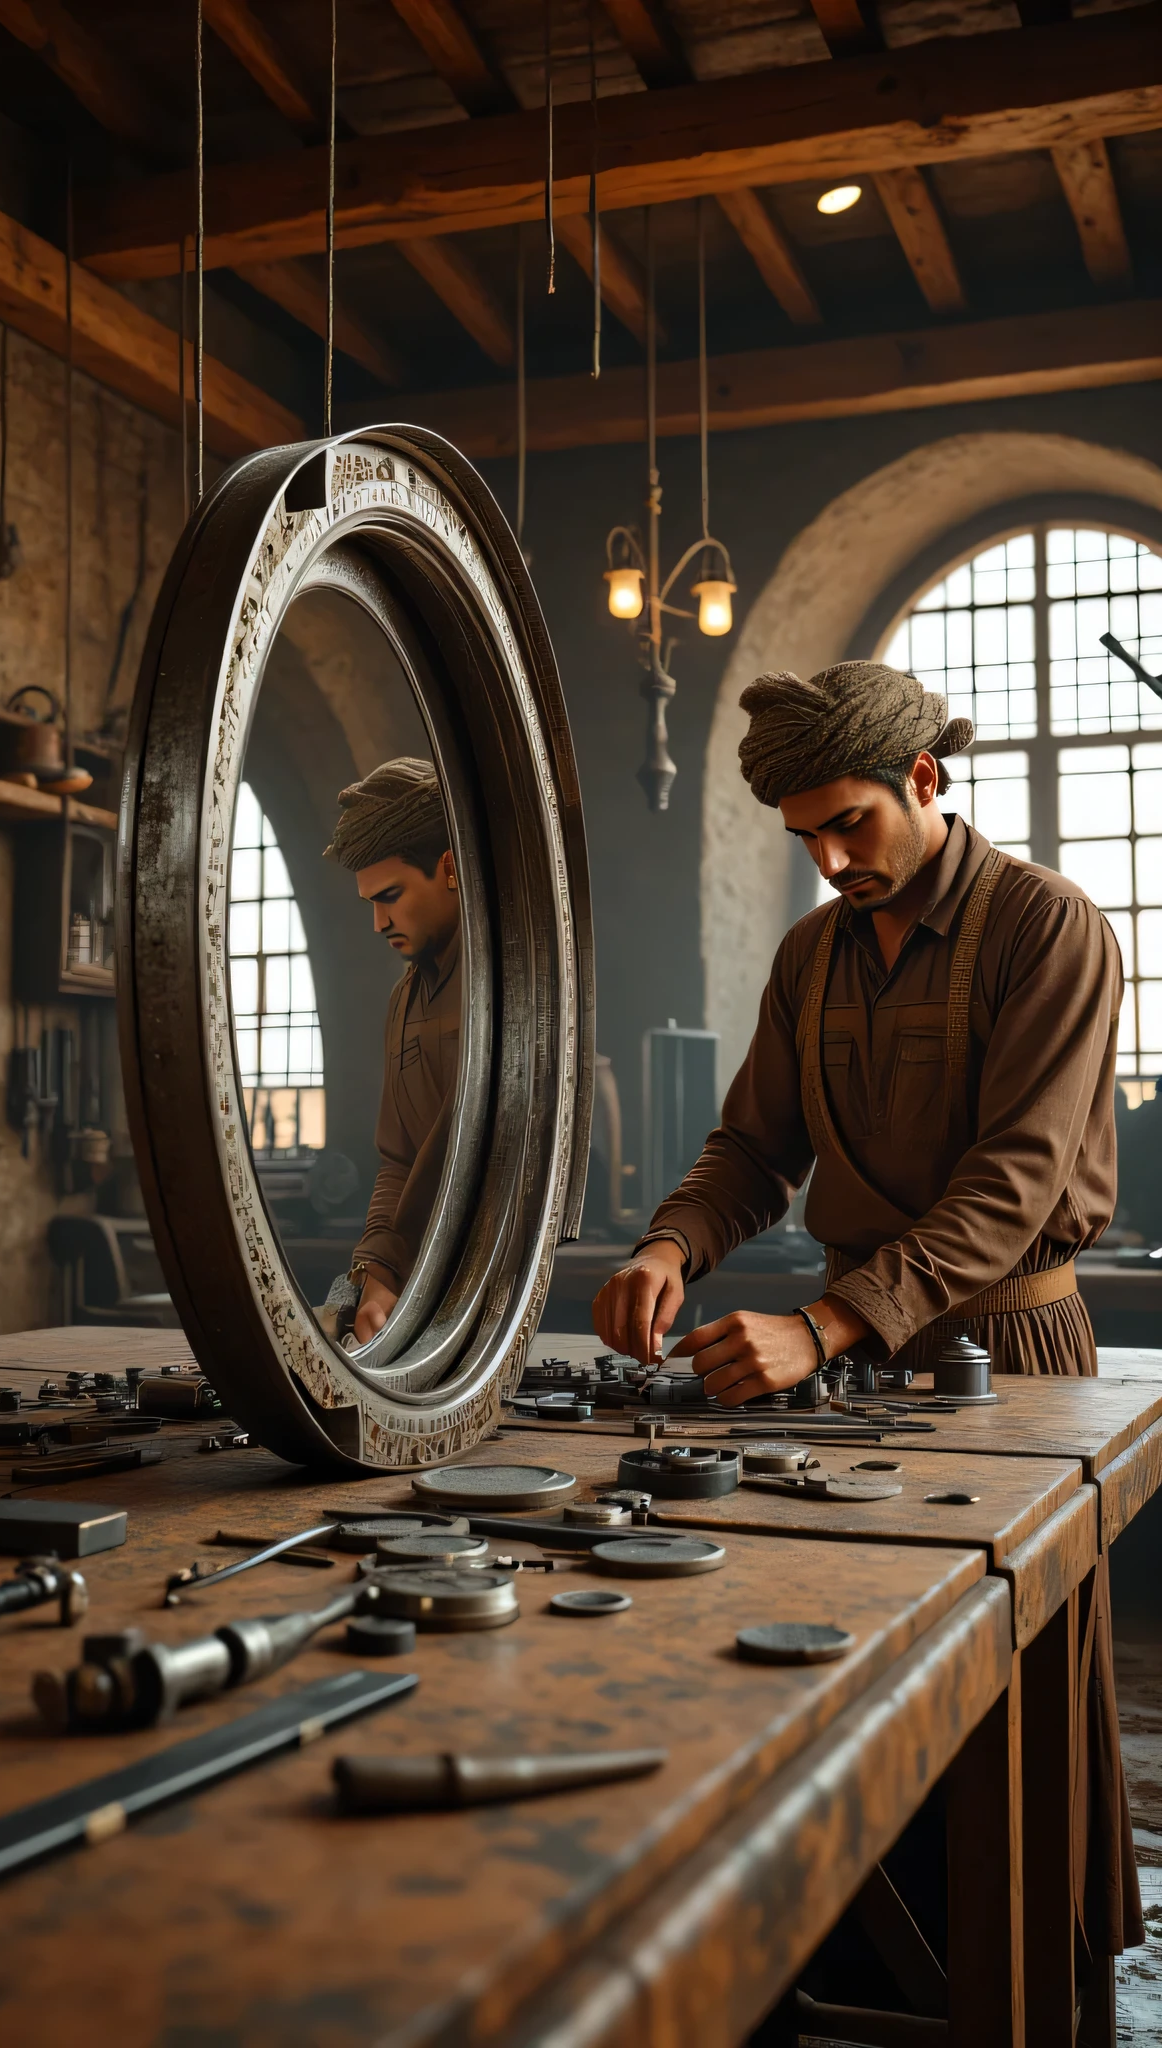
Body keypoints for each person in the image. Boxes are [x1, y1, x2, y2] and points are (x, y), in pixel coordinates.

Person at [593, 659, 1142, 1965]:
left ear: (927, 781)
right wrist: (674, 1240)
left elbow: (1009, 1192)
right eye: (807, 838)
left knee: (1014, 1689)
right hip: (850, 1360)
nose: (833, 859)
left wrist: (824, 1327)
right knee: (844, 1655)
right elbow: (752, 1152)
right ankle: (857, 1956)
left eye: (852, 822)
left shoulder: (1050, 928)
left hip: (1012, 1349)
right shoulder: (811, 956)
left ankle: (1026, 1965)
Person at [323, 757, 459, 1346]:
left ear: (450, 869)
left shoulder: (517, 991)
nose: (379, 922)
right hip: (417, 1300)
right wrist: (374, 1276)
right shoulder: (403, 1000)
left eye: (392, 896)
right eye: (369, 904)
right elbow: (399, 1161)